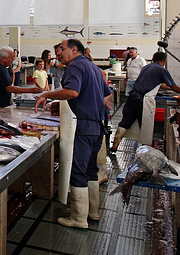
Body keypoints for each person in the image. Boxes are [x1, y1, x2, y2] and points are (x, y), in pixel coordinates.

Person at [35, 39, 112, 229]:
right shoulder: (92, 67)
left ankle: (78, 218)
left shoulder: (75, 66)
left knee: (78, 171)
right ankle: (92, 212)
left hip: (83, 126)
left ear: (74, 49)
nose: (58, 53)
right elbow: (107, 94)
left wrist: (46, 95)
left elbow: (72, 92)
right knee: (90, 170)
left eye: (61, 49)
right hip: (98, 125)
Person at [111, 51, 180, 151]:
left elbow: (159, 84)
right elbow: (173, 86)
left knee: (126, 120)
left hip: (132, 96)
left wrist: (169, 88)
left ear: (153, 58)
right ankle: (146, 149)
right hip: (142, 99)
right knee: (144, 123)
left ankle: (115, 143)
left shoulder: (147, 67)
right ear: (164, 60)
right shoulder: (161, 70)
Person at [0, 46, 42, 113]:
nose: (13, 59)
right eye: (11, 57)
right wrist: (30, 90)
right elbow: (9, 88)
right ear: (3, 58)